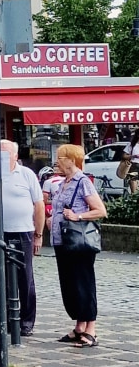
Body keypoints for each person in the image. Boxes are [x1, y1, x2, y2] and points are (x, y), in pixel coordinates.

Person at [0, 140, 45, 336]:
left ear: (15, 156)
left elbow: (39, 205)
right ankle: (2, 318)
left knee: (25, 277)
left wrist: (38, 235)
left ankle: (26, 321)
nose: (2, 157)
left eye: (6, 154)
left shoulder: (26, 174)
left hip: (22, 231)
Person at [50, 144, 106, 348]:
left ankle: (91, 328)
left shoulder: (83, 182)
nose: (57, 161)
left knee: (84, 283)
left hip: (79, 242)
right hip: (61, 241)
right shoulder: (62, 183)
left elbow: (100, 210)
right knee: (70, 285)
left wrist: (78, 216)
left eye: (60, 157)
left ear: (71, 160)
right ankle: (79, 326)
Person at [127, 129, 139, 195]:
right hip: (134, 165)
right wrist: (133, 156)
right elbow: (124, 156)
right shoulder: (132, 145)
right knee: (134, 188)